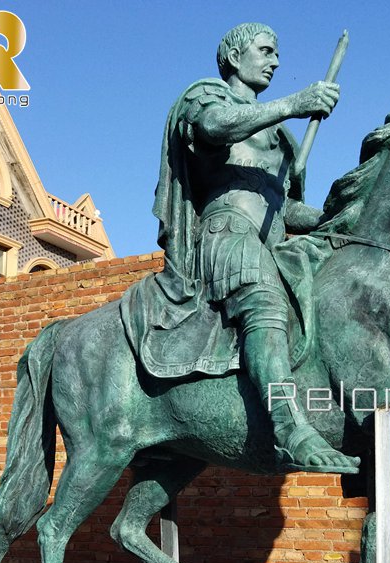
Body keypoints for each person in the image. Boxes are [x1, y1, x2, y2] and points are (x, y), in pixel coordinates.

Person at [147, 22, 358, 474]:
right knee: (265, 302)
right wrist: (295, 105)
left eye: (277, 54)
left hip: (272, 243)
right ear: (234, 56)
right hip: (225, 235)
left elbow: (286, 210)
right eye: (265, 51)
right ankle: (290, 429)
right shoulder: (206, 96)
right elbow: (215, 127)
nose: (275, 61)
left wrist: (332, 220)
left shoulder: (281, 138)